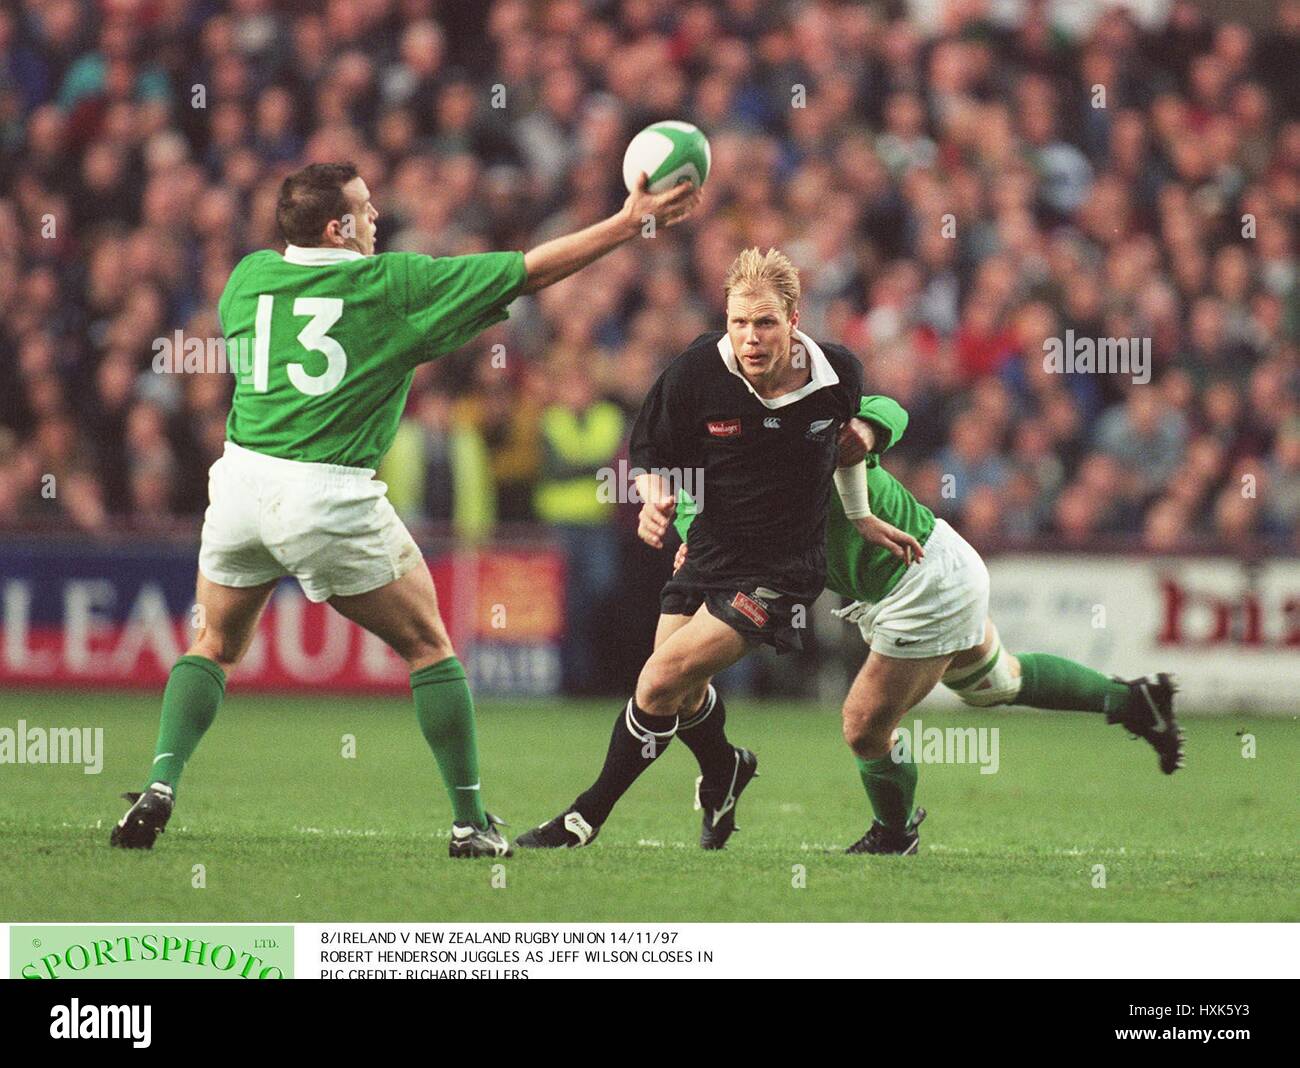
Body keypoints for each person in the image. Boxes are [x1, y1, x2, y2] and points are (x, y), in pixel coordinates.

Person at [110, 161, 700, 858]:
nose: (377, 217)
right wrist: (627, 225)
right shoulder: (390, 285)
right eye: (365, 208)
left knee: (212, 645)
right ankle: (470, 822)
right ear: (339, 227)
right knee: (429, 647)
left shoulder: (246, 280)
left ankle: (160, 785)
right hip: (326, 493)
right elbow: (528, 271)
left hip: (240, 485)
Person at [516, 247, 923, 849]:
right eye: (738, 322)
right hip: (707, 550)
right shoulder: (697, 371)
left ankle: (583, 818)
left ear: (793, 319)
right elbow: (650, 450)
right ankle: (725, 767)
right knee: (679, 695)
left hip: (782, 569)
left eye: (764, 322)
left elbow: (850, 450)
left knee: (656, 683)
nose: (750, 338)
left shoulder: (836, 374)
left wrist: (860, 515)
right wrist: (656, 499)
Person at [675, 397, 1185, 856]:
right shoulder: (719, 473)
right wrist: (688, 539)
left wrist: (868, 431)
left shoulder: (798, 425)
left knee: (863, 725)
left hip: (920, 580)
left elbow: (887, 408)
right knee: (996, 683)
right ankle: (1134, 701)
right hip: (924, 569)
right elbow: (691, 510)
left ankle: (895, 835)